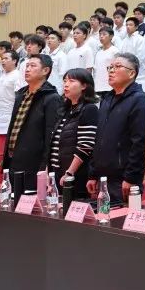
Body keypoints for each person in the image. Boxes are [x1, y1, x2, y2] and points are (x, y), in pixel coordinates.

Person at [87, 52, 145, 204]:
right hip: (102, 178)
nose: (111, 71)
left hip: (123, 180)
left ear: (132, 73)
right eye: (110, 67)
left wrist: (131, 177)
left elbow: (139, 142)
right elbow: (98, 139)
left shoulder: (139, 100)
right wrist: (93, 174)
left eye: (117, 66)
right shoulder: (106, 99)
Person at [2, 55, 63, 192]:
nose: (27, 69)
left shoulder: (52, 98)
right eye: (27, 66)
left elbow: (51, 135)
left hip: (34, 163)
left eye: (33, 66)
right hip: (13, 159)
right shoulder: (20, 95)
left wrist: (45, 165)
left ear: (45, 70)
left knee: (29, 201)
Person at [48, 68, 98, 197]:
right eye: (65, 81)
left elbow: (85, 146)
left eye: (71, 81)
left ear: (84, 86)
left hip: (75, 175)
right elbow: (54, 144)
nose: (66, 84)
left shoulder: (89, 109)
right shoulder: (65, 110)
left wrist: (69, 172)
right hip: (57, 172)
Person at [0, 50, 23, 147]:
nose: (3, 61)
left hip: (10, 115)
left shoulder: (17, 75)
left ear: (14, 61)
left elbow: (19, 96)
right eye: (2, 59)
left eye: (6, 58)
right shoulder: (2, 76)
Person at [92, 28, 119, 98]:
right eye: (100, 34)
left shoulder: (115, 51)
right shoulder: (98, 52)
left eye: (104, 34)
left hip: (110, 86)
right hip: (98, 86)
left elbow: (118, 68)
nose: (101, 36)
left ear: (111, 36)